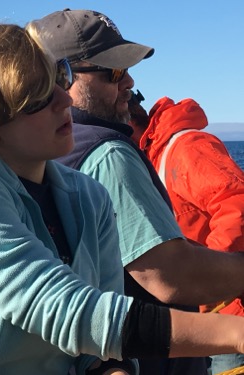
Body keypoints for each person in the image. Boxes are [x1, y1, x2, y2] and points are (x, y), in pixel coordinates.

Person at [29, 9, 244, 375]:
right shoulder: (110, 154)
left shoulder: (38, 158)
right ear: (61, 76)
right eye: (113, 72)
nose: (128, 82)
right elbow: (168, 275)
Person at [128, 92, 244, 374]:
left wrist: (208, 280)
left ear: (128, 119)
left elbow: (237, 204)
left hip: (229, 314)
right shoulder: (151, 157)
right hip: (201, 317)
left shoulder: (186, 146)